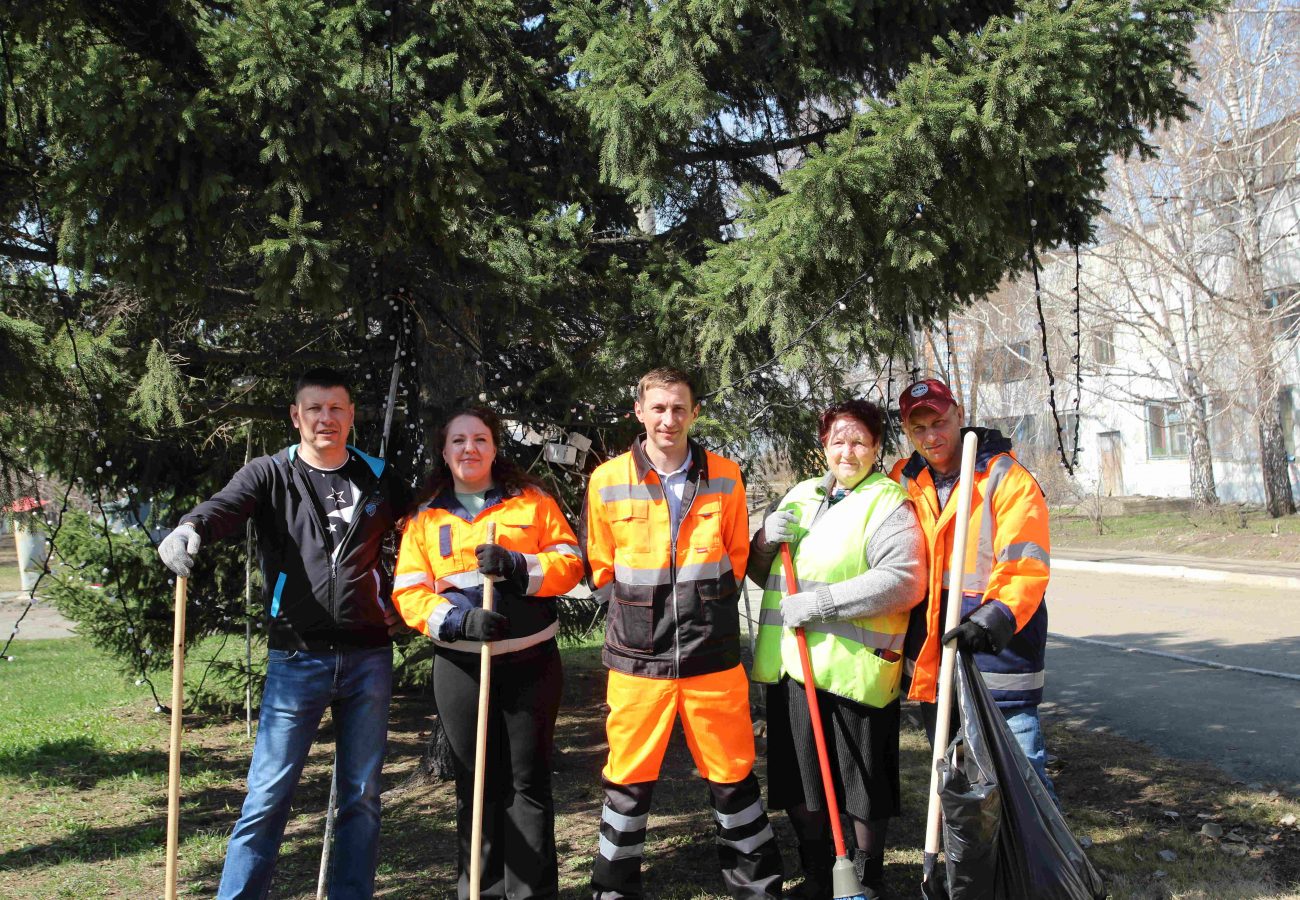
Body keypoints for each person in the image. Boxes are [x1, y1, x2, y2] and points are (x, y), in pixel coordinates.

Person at [156, 367, 409, 899]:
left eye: (336, 409)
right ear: (297, 417)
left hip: (369, 657)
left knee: (362, 796)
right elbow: (223, 507)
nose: (326, 419)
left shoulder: (379, 476)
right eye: (314, 409)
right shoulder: (268, 474)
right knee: (268, 794)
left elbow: (425, 537)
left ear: (351, 416)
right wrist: (189, 529)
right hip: (297, 658)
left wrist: (407, 605)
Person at [584, 367, 782, 900]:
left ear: (694, 413)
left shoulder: (725, 475)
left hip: (711, 659)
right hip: (634, 663)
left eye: (679, 408)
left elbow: (737, 559)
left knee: (733, 777)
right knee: (626, 783)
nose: (668, 419)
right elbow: (600, 567)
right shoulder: (606, 480)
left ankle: (757, 888)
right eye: (658, 408)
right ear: (639, 413)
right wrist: (632, 617)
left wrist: (708, 613)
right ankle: (613, 890)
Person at [392, 406, 583, 900]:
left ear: (495, 447)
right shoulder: (425, 517)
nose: (469, 449)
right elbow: (410, 592)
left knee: (528, 784)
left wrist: (518, 565)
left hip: (530, 665)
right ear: (444, 450)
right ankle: (480, 890)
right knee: (477, 785)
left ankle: (532, 893)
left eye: (479, 439)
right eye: (458, 441)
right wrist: (458, 622)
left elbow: (569, 564)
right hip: (461, 668)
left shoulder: (531, 502)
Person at [748, 400, 926, 899]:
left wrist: (822, 603)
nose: (847, 450)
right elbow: (764, 572)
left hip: (856, 673)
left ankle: (865, 881)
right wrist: (762, 540)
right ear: (823, 446)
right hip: (793, 667)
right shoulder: (801, 495)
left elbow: (904, 580)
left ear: (875, 448)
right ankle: (819, 874)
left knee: (862, 784)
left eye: (859, 441)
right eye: (837, 441)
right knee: (800, 781)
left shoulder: (889, 502)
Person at [889, 378, 1057, 801]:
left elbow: (1025, 564)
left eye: (940, 422)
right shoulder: (905, 479)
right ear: (909, 432)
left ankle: (1039, 864)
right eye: (919, 428)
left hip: (998, 649)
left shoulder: (1004, 477)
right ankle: (975, 864)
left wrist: (991, 620)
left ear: (959, 415)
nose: (932, 436)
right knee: (956, 774)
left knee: (1021, 773)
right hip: (935, 650)